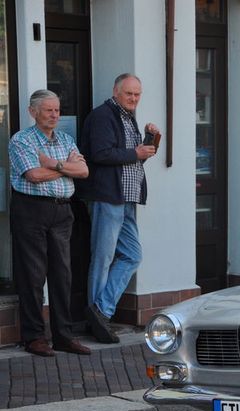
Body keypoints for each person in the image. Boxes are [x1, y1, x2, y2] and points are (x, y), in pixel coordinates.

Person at [78, 73, 160, 343]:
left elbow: (130, 159)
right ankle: (99, 321)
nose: (134, 98)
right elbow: (100, 154)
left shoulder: (128, 117)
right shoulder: (103, 116)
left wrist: (148, 142)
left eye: (137, 94)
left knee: (132, 256)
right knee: (102, 258)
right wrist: (135, 153)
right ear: (116, 91)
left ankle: (100, 310)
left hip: (127, 197)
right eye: (129, 94)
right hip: (108, 196)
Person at [8, 90, 91, 356]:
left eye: (57, 110)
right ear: (33, 112)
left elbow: (84, 171)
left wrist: (52, 164)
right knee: (32, 276)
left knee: (62, 276)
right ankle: (34, 337)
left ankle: (63, 336)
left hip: (62, 212)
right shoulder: (21, 140)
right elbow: (33, 175)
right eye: (48, 110)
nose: (55, 115)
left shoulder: (66, 139)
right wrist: (65, 166)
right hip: (31, 211)